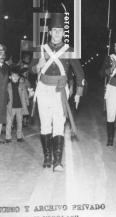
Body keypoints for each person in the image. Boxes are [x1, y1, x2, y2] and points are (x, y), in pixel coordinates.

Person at [30, 13, 85, 171]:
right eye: (54, 30)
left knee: (59, 124)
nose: (57, 33)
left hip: (60, 90)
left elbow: (79, 73)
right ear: (49, 32)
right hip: (43, 89)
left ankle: (58, 161)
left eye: (60, 31)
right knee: (45, 124)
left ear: (63, 33)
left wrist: (78, 93)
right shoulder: (40, 48)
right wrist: (37, 67)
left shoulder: (69, 50)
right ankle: (47, 156)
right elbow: (30, 70)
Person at [5, 66, 29, 143]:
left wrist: (27, 102)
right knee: (9, 122)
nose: (15, 77)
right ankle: (8, 137)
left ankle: (19, 137)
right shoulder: (7, 86)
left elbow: (25, 95)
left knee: (20, 122)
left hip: (20, 107)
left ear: (19, 77)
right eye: (13, 76)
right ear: (10, 77)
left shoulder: (22, 85)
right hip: (10, 107)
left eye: (17, 76)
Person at [0, 44, 10, 141]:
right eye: (0, 52)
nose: (2, 55)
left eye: (3, 53)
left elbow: (9, 82)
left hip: (2, 96)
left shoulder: (7, 67)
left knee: (1, 117)